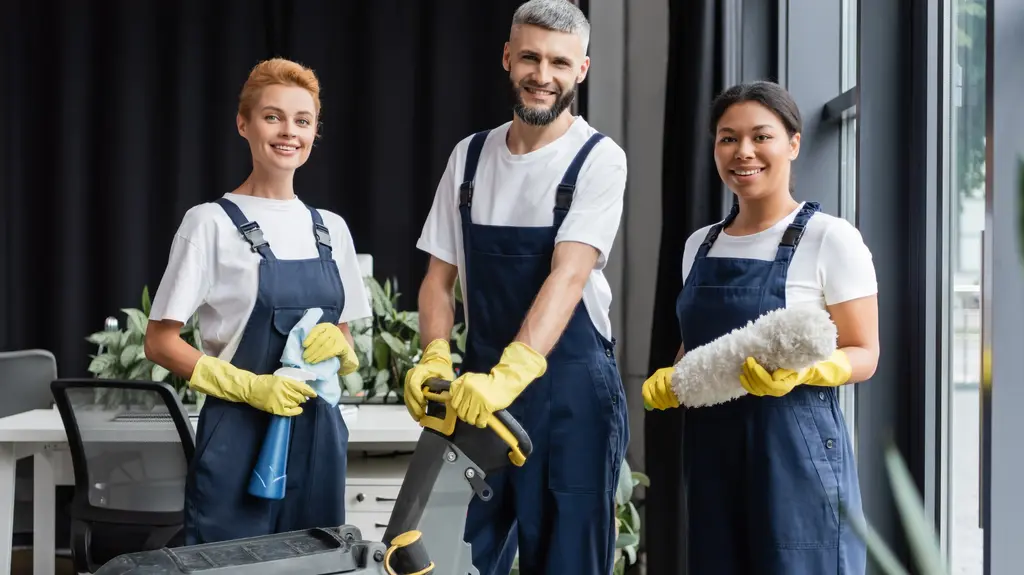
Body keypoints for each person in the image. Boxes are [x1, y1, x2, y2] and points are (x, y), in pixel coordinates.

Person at [404, 1, 629, 573]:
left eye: (560, 62)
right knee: (450, 557)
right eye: (530, 57)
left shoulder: (598, 159)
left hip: (570, 398)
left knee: (568, 560)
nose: (542, 75)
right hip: (476, 393)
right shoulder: (470, 157)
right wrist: (435, 355)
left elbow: (569, 274)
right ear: (508, 57)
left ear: (582, 70)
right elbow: (438, 279)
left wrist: (512, 374)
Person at [642, 80, 878, 574]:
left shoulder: (830, 239)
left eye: (761, 136)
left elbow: (865, 352)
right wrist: (674, 376)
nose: (743, 151)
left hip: (797, 457)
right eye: (728, 138)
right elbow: (699, 345)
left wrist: (809, 371)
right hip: (712, 458)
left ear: (793, 143)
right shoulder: (699, 245)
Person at [144, 58, 372, 546]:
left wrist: (342, 350)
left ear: (314, 132)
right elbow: (159, 342)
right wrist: (248, 386)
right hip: (238, 434)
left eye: (303, 121)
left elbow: (345, 338)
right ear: (243, 123)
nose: (289, 132)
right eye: (273, 117)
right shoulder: (209, 223)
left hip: (318, 436)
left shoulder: (331, 229)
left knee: (316, 561)